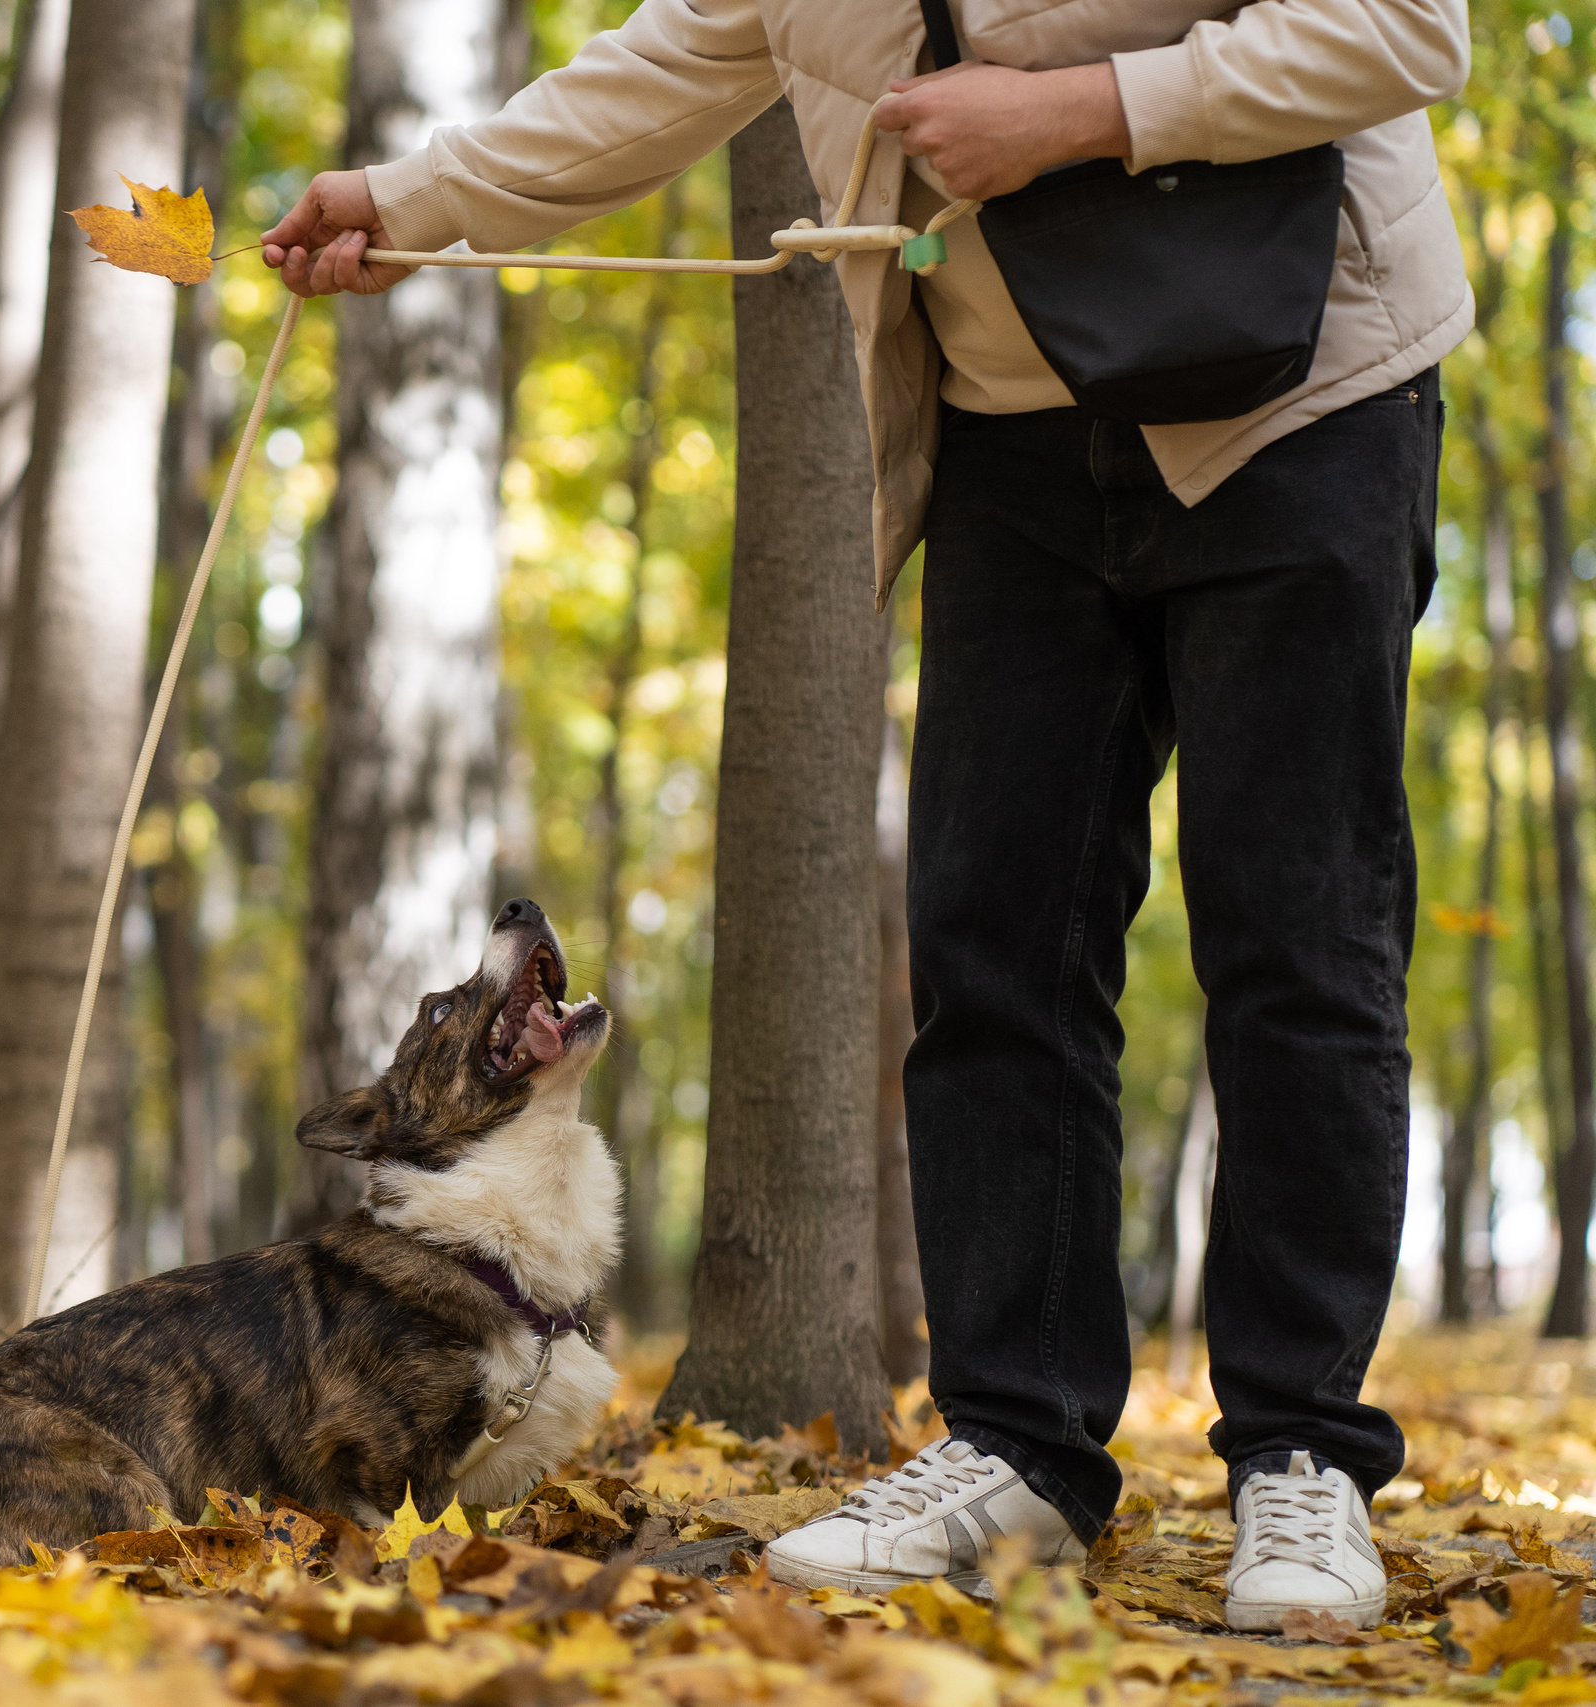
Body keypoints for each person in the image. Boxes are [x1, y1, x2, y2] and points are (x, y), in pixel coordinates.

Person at [260, 0, 1468, 1631]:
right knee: (994, 956)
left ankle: (1303, 1461)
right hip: (1012, 446)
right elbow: (662, 67)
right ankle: (1018, 1447)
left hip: (1303, 396)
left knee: (1301, 945)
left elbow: (1404, 28)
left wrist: (1083, 111)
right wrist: (409, 202)